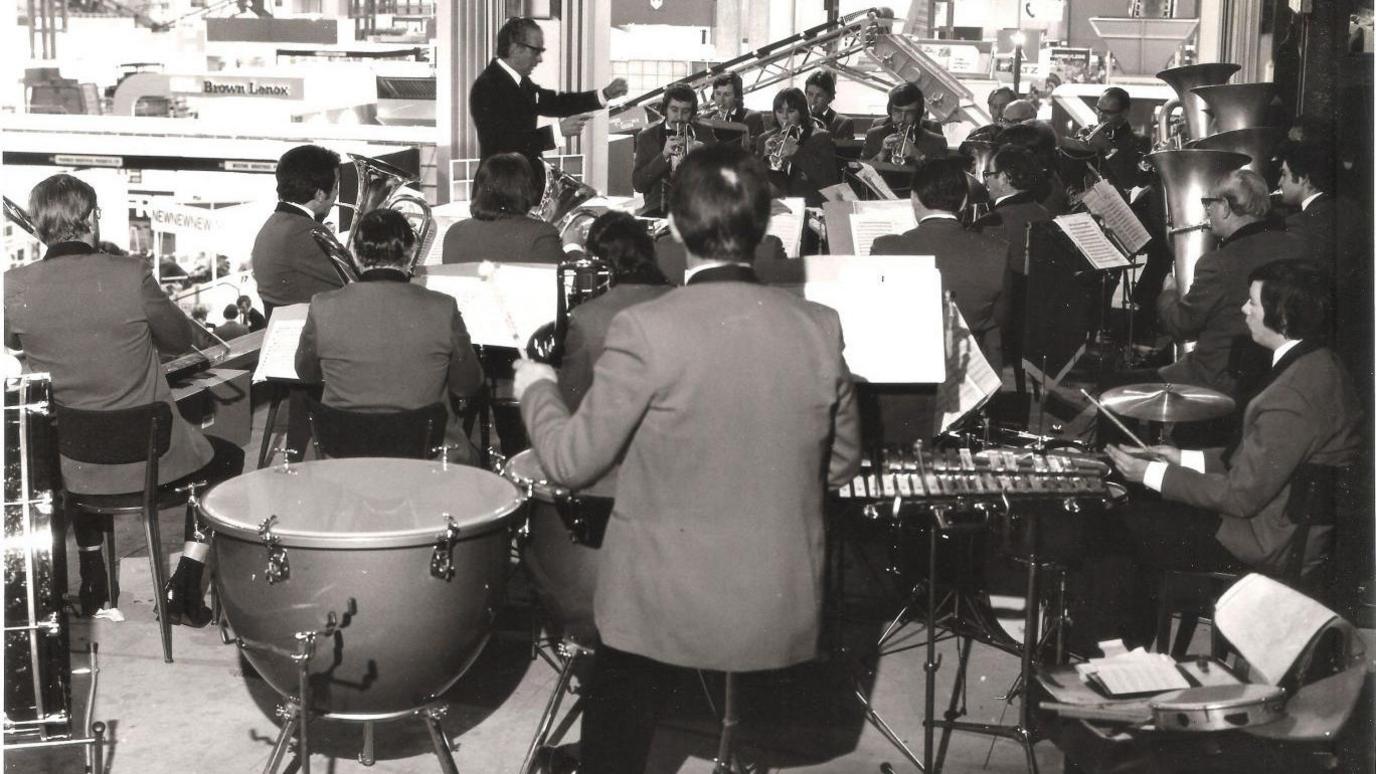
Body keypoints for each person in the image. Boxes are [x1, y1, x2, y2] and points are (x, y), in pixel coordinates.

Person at [512, 144, 861, 774]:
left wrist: (534, 385)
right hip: (774, 600)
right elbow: (838, 466)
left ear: (672, 227)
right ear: (760, 228)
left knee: (617, 679)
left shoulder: (647, 328)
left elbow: (567, 463)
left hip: (662, 603)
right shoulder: (821, 324)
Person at [4, 174, 243, 625]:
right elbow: (177, 338)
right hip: (152, 460)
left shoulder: (13, 285)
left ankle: (94, 582)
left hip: (76, 465)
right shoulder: (130, 272)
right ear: (93, 217)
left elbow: (11, 338)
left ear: (38, 226)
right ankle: (187, 583)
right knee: (227, 458)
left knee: (80, 434)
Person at [1107, 259, 1362, 579]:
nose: (1244, 309)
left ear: (1281, 317)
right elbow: (1261, 461)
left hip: (1264, 544)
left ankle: (1117, 628)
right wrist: (1181, 458)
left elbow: (1241, 497)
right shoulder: (1317, 363)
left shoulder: (1293, 396)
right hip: (1272, 525)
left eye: (1252, 302)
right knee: (1141, 508)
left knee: (1117, 525)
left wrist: (1152, 474)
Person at [296, 209, 484, 461]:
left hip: (340, 452)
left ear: (355, 255)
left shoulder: (322, 305)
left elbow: (306, 373)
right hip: (426, 451)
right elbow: (467, 385)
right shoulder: (443, 306)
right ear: (409, 254)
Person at [1154, 169, 1307, 398]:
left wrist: (1169, 293)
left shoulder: (1217, 263)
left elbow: (1181, 326)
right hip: (1277, 377)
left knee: (1117, 386)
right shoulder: (1298, 245)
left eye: (1209, 203)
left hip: (1216, 382)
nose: (1207, 211)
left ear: (1225, 206)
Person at [873, 156, 1010, 373]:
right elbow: (1000, 320)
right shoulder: (998, 252)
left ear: (914, 199)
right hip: (972, 369)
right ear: (965, 202)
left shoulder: (885, 247)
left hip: (908, 368)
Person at [469, 16, 628, 198]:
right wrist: (557, 131)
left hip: (515, 189)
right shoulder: (488, 86)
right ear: (515, 48)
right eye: (536, 51)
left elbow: (556, 102)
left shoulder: (519, 83)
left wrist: (604, 94)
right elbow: (505, 142)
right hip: (497, 193)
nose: (540, 59)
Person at [974, 145, 1053, 392]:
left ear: (1005, 179)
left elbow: (983, 282)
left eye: (989, 174)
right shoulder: (1044, 213)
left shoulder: (993, 222)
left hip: (1006, 324)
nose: (985, 181)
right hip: (1037, 319)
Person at [251, 144, 345, 317]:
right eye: (335, 187)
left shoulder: (273, 224)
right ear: (319, 195)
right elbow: (357, 285)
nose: (337, 195)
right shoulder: (307, 232)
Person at [442, 153, 564, 265]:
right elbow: (567, 282)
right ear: (526, 191)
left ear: (481, 190)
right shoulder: (542, 235)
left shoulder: (454, 232)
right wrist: (573, 245)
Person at [631, 83, 716, 217]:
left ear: (692, 112)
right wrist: (663, 156)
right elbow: (638, 184)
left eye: (686, 111)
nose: (679, 117)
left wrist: (704, 157)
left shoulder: (704, 133)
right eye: (674, 110)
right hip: (659, 210)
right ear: (665, 109)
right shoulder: (647, 137)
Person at [755, 86, 839, 206]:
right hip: (775, 206)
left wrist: (797, 153)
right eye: (779, 111)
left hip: (808, 207)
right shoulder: (765, 139)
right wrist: (764, 157)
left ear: (802, 112)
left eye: (791, 111)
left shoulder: (821, 138)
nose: (784, 117)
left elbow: (829, 181)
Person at [1057, 86, 1147, 193]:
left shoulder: (1139, 142)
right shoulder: (1085, 131)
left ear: (1124, 113)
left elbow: (1131, 182)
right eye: (1098, 110)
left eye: (1108, 112)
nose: (1101, 116)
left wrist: (1109, 149)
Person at [860, 82, 948, 166]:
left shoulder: (936, 141)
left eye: (910, 112)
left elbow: (942, 178)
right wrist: (881, 154)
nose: (902, 118)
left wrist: (918, 156)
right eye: (897, 111)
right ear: (890, 110)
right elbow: (860, 173)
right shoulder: (873, 135)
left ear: (918, 113)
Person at [707, 71, 765, 141]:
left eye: (727, 95)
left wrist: (721, 128)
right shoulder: (706, 119)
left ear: (737, 96)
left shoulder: (752, 118)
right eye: (718, 94)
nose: (721, 100)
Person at [804, 69, 855, 139]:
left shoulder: (843, 123)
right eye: (810, 94)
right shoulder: (799, 119)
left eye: (819, 96)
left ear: (830, 97)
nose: (813, 100)